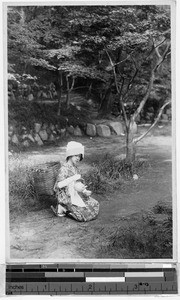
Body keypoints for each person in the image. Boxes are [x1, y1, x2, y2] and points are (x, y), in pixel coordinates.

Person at [51, 141, 99, 222]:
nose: (78, 158)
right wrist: (73, 178)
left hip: (74, 194)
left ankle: (69, 209)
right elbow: (58, 185)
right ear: (70, 155)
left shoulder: (75, 168)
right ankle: (63, 208)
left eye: (79, 156)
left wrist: (84, 190)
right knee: (83, 216)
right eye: (76, 156)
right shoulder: (64, 168)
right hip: (66, 197)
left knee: (95, 204)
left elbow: (77, 183)